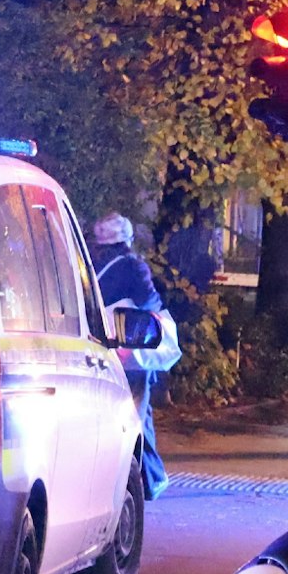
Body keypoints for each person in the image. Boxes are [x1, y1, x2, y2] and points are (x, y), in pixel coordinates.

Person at [92, 212, 171, 499]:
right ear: (126, 239)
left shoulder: (88, 265)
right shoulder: (134, 268)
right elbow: (150, 302)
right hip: (129, 351)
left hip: (95, 348)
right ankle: (137, 481)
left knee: (140, 414)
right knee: (136, 415)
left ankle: (153, 477)